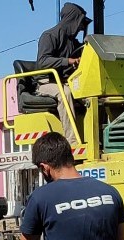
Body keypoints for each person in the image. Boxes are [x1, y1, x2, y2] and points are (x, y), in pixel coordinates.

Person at [36, 2, 91, 144]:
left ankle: (94, 138)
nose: (80, 28)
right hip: (46, 83)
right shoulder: (49, 36)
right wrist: (68, 61)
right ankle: (72, 141)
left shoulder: (73, 42)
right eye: (79, 23)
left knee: (91, 96)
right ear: (72, 20)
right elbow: (43, 61)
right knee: (64, 93)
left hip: (66, 81)